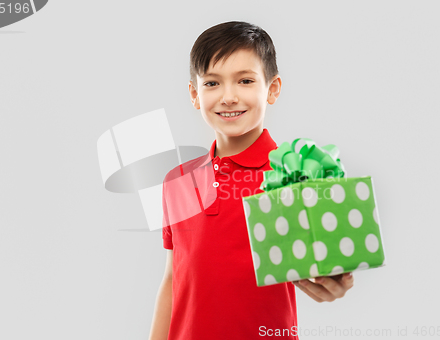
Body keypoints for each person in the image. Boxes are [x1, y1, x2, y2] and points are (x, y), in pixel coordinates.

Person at [148, 21, 354, 340]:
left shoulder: (296, 175)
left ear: (272, 88)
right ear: (194, 94)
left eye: (245, 80)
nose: (228, 97)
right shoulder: (177, 181)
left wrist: (336, 281)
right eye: (212, 83)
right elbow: (172, 280)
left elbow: (332, 262)